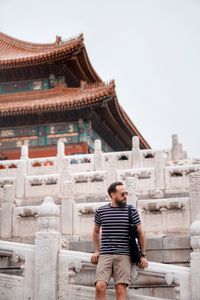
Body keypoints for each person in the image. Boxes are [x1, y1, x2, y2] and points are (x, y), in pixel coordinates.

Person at [91, 181, 148, 300]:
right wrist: (97, 251)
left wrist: (143, 255)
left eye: (126, 193)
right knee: (100, 286)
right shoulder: (101, 211)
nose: (125, 196)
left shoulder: (131, 210)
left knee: (120, 289)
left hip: (124, 254)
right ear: (113, 195)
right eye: (122, 194)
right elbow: (96, 232)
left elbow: (141, 234)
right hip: (105, 254)